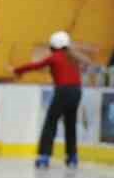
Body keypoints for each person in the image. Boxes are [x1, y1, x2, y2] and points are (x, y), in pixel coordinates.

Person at [15, 29, 83, 168]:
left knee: (51, 123)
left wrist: (17, 70)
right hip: (77, 91)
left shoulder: (55, 57)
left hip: (63, 92)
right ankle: (72, 157)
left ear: (53, 45)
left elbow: (36, 66)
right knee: (70, 124)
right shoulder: (72, 58)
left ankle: (44, 157)